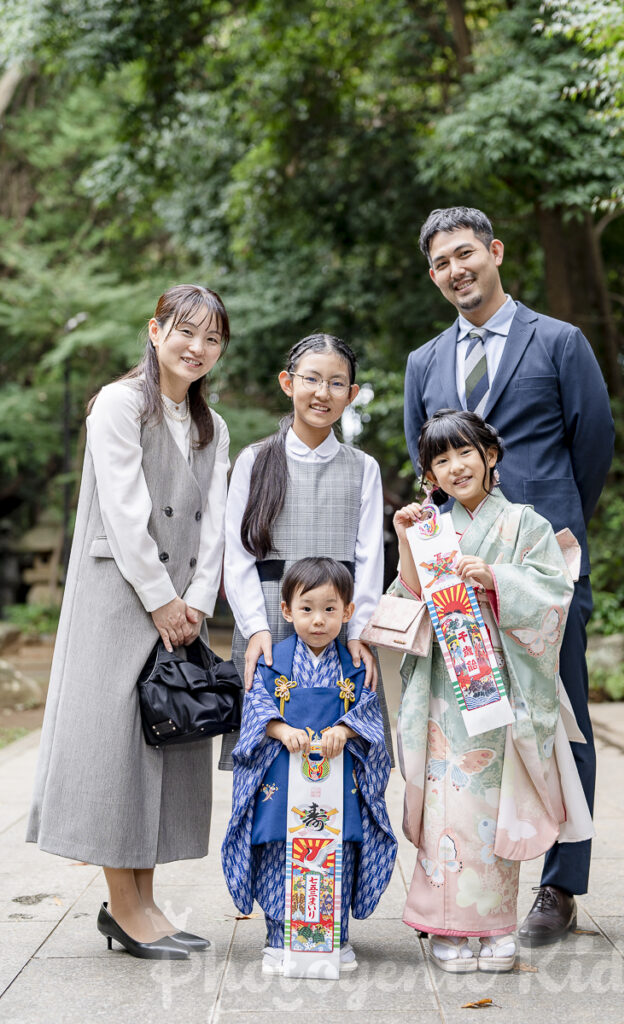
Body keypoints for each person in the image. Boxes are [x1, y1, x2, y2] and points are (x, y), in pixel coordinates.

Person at [404, 207, 614, 944]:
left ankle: (560, 882)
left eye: (466, 254)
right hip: (456, 574)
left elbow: (591, 446)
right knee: (463, 723)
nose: (455, 270)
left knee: (557, 717)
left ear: (493, 252)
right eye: (441, 263)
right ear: (432, 275)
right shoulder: (424, 361)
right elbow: (426, 463)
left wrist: (538, 533)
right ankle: (467, 878)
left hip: (534, 562)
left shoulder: (558, 342)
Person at [26, 284, 231, 960]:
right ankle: (125, 908)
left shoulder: (211, 426)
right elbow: (123, 509)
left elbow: (217, 522)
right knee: (121, 752)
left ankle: (142, 905)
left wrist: (197, 600)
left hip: (182, 610)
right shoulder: (118, 405)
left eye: (211, 338)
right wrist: (160, 597)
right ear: (155, 331)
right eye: (185, 332)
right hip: (122, 601)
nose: (196, 348)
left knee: (164, 747)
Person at [391, 410, 593, 973]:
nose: (455, 467)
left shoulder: (525, 523)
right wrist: (407, 542)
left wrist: (496, 579)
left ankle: (497, 923)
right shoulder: (432, 527)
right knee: (447, 803)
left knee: (493, 804)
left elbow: (555, 596)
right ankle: (445, 926)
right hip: (442, 689)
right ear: (430, 475)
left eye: (464, 453)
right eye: (440, 460)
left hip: (500, 683)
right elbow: (406, 606)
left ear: (491, 455)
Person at [218, 332, 393, 770]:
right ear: (287, 382)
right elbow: (238, 555)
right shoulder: (255, 461)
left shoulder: (362, 467)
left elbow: (370, 558)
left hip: (338, 623)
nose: (322, 392)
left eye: (337, 383)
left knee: (342, 757)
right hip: (271, 623)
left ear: (351, 394)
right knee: (269, 763)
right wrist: (255, 627)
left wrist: (360, 633)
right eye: (311, 379)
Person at [222, 557, 396, 974]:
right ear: (286, 611)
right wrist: (280, 729)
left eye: (330, 609)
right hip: (282, 779)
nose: (318, 620)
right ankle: (278, 936)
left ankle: (337, 936)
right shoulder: (273, 660)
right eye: (307, 608)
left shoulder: (355, 664)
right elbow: (257, 709)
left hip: (338, 784)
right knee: (280, 849)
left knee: (339, 848)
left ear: (348, 613)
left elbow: (369, 712)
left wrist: (347, 730)